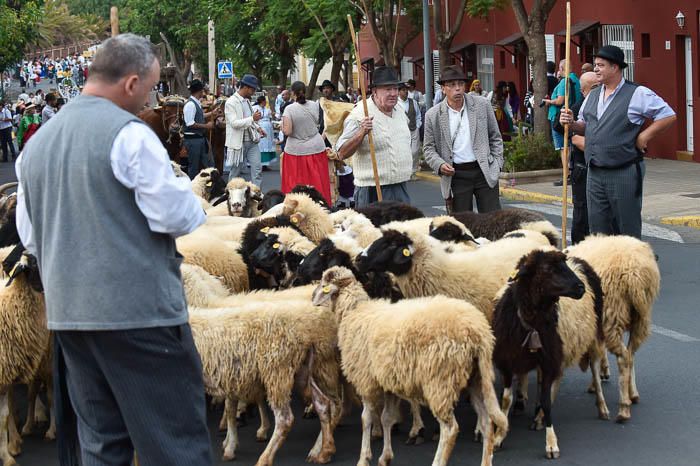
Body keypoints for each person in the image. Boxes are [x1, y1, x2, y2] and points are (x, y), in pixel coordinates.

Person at [15, 33, 213, 466]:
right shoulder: (129, 135)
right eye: (151, 88)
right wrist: (188, 193)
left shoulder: (37, 145)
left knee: (102, 444)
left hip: (70, 316)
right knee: (174, 441)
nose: (150, 98)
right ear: (131, 83)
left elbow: (30, 235)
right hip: (139, 316)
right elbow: (175, 216)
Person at [560, 45, 676, 239]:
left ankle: (631, 268)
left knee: (626, 228)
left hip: (624, 171)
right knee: (597, 229)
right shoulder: (593, 95)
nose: (595, 69)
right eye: (595, 65)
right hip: (595, 171)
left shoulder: (637, 93)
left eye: (600, 65)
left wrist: (643, 136)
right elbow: (585, 125)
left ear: (615, 68)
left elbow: (668, 115)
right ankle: (604, 268)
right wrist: (571, 123)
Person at [423, 65, 503, 214]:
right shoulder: (433, 115)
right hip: (456, 174)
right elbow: (428, 148)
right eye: (452, 85)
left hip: (483, 170)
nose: (458, 89)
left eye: (460, 84)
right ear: (443, 88)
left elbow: (495, 137)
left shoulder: (482, 104)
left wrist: (497, 164)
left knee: (493, 220)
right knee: (461, 224)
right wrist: (440, 165)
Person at [335, 66, 413, 207]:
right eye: (388, 89)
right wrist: (362, 132)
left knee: (401, 229)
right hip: (371, 189)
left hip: (400, 186)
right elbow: (341, 152)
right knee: (373, 229)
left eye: (395, 88)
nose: (393, 93)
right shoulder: (359, 114)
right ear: (375, 91)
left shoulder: (400, 110)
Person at [554, 72, 598, 243]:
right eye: (595, 86)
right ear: (584, 89)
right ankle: (579, 246)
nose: (599, 89)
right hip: (582, 166)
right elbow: (560, 126)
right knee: (582, 210)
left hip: (601, 166)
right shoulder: (579, 106)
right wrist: (566, 121)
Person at [280, 81, 331, 203]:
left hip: (295, 151)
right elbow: (324, 123)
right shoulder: (315, 105)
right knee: (318, 182)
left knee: (296, 184)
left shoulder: (289, 109)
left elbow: (287, 131)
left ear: (293, 93)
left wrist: (281, 126)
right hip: (316, 147)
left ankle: (296, 208)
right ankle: (321, 205)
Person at [544, 59, 581, 185]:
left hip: (560, 117)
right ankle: (570, 172)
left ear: (561, 68)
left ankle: (567, 175)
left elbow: (560, 100)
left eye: (559, 69)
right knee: (570, 146)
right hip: (573, 114)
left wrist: (549, 101)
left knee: (563, 148)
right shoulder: (576, 79)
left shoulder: (565, 81)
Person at [225, 73, 264, 187]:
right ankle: (231, 197)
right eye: (253, 89)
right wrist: (253, 118)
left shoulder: (247, 101)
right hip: (238, 143)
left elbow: (250, 121)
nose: (253, 92)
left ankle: (257, 197)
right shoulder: (231, 102)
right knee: (235, 173)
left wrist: (258, 128)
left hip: (252, 142)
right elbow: (234, 123)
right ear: (246, 87)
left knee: (257, 170)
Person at [183, 79, 217, 179]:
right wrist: (206, 126)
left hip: (201, 138)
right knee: (194, 167)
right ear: (200, 91)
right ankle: (193, 189)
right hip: (193, 140)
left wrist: (212, 113)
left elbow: (200, 115)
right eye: (202, 90)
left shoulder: (196, 102)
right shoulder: (190, 104)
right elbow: (190, 123)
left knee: (209, 163)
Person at [398, 83, 422, 178]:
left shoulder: (413, 102)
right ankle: (405, 171)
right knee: (404, 152)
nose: (406, 92)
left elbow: (418, 115)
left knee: (415, 151)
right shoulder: (395, 104)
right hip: (401, 132)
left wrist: (417, 125)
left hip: (413, 129)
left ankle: (413, 171)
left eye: (406, 90)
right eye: (403, 90)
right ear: (399, 92)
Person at [252, 95, 277, 168]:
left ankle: (266, 164)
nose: (265, 102)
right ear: (261, 101)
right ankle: (258, 163)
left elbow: (269, 118)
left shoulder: (267, 109)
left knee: (267, 144)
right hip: (260, 127)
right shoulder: (255, 108)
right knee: (261, 145)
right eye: (264, 101)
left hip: (268, 129)